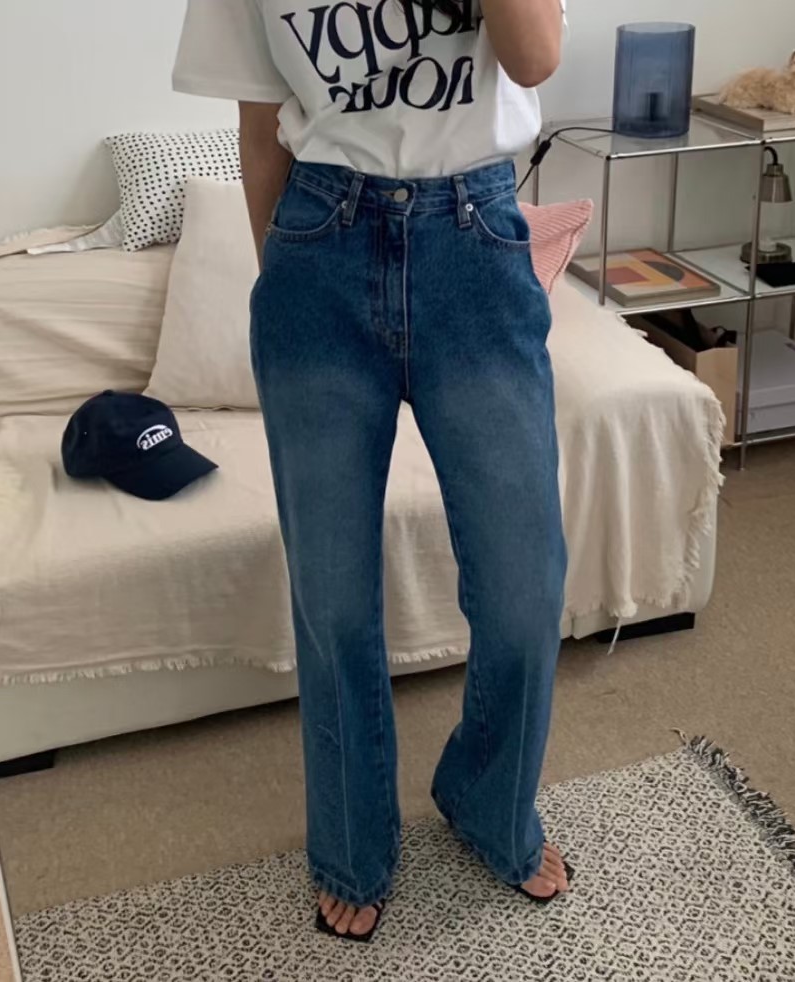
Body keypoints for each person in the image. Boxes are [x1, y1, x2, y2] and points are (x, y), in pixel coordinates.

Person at [173, 0, 571, 943]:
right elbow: (260, 125)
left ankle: (486, 798)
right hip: (322, 245)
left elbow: (533, 56)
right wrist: (282, 282)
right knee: (334, 600)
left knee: (525, 592)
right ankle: (352, 842)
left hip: (475, 242)